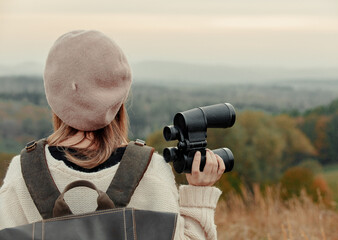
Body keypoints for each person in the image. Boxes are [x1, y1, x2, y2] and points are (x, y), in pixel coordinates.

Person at [0, 30, 225, 239]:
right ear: (120, 96)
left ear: (54, 95)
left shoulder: (24, 171)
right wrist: (199, 193)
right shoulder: (150, 171)